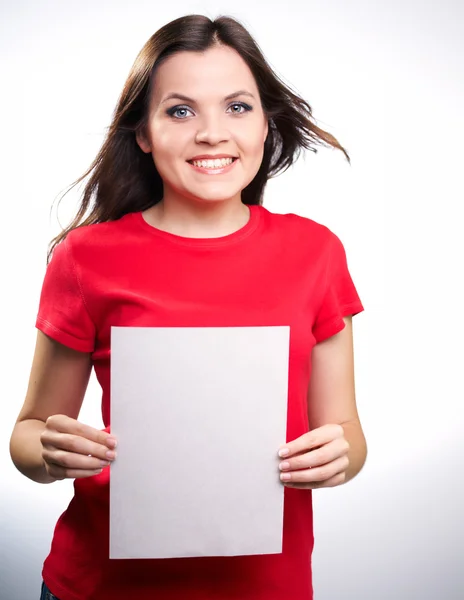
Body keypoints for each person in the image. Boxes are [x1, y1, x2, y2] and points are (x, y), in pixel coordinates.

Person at [9, 13, 367, 600]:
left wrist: (339, 457)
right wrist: (49, 451)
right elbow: (27, 435)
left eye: (237, 107)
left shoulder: (316, 253)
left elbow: (347, 435)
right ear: (144, 132)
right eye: (180, 110)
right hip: (99, 587)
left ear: (266, 124)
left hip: (264, 588)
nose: (211, 133)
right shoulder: (85, 259)